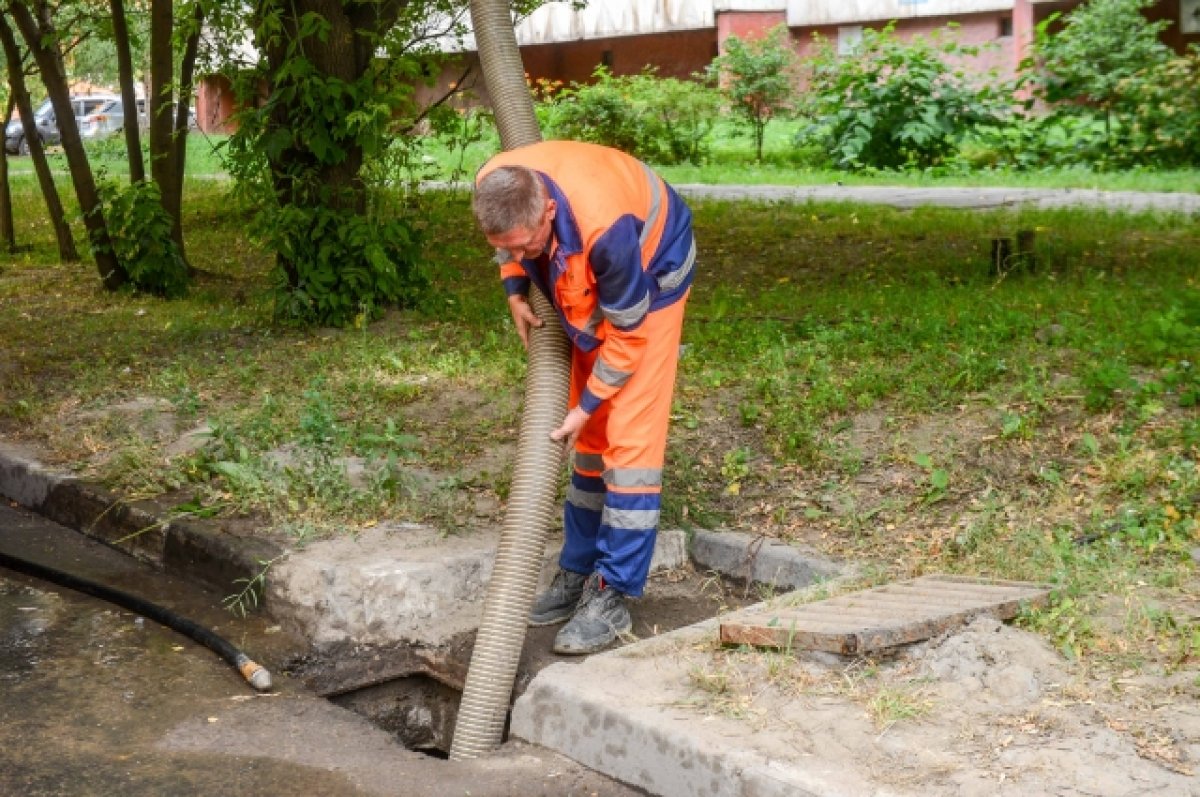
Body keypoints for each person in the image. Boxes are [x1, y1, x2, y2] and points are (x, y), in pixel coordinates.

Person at [472, 140, 696, 655]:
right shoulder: (495, 185)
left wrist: (587, 404)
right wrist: (514, 287)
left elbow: (629, 336)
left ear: (548, 210)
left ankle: (611, 591)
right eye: (508, 248)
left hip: (654, 274)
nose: (518, 256)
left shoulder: (608, 232)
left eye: (527, 247)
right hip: (589, 253)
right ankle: (577, 570)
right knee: (589, 442)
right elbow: (512, 246)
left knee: (629, 444)